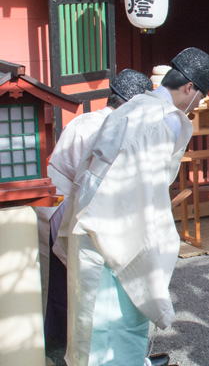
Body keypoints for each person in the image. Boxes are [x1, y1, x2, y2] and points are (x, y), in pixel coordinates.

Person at [58, 47, 209, 366]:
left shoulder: (134, 106)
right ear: (189, 88)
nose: (199, 104)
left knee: (92, 304)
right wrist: (158, 235)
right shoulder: (159, 120)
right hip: (117, 222)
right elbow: (145, 188)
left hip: (92, 212)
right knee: (119, 307)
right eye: (201, 95)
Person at [35, 69, 153, 348]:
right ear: (129, 104)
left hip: (60, 202)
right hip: (65, 205)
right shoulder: (107, 127)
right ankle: (75, 337)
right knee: (75, 276)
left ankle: (61, 335)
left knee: (61, 278)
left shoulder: (87, 120)